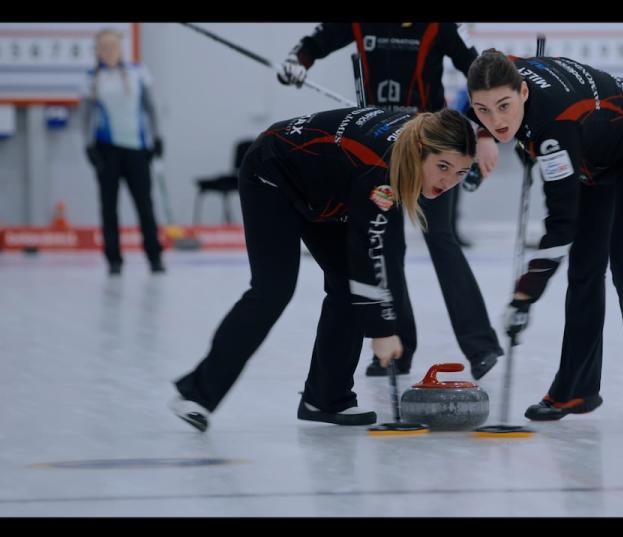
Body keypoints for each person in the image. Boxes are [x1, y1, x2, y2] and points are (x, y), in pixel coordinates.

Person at [169, 108, 477, 432]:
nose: (448, 182)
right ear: (419, 150)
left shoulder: (412, 144)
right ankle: (197, 394)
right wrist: (382, 331)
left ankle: (327, 398)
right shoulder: (381, 170)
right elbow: (368, 251)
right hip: (272, 173)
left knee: (347, 287)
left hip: (326, 188)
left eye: (460, 172)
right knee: (272, 290)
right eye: (442, 167)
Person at [465, 50, 623, 432]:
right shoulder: (502, 70)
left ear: (524, 92)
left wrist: (524, 296)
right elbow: (482, 79)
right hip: (597, 155)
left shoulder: (555, 128)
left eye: (504, 106)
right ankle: (576, 390)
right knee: (585, 268)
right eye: (483, 110)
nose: (497, 121)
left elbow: (561, 225)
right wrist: (480, 133)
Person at [277, 23, 503, 380]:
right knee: (384, 244)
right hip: (382, 149)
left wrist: (485, 131)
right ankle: (397, 348)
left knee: (441, 239)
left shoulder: (440, 26)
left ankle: (481, 347)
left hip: (432, 150)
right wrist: (298, 62)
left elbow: (479, 71)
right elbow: (317, 42)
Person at [80, 28, 165, 275]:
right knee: (109, 207)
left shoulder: (138, 72)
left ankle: (154, 256)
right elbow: (85, 118)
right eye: (103, 47)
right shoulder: (91, 79)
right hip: (106, 151)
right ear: (98, 50)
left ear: (120, 47)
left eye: (112, 46)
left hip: (137, 149)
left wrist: (157, 139)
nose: (108, 51)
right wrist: (88, 146)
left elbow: (151, 109)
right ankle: (114, 259)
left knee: (145, 205)